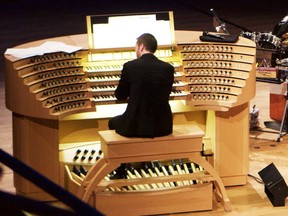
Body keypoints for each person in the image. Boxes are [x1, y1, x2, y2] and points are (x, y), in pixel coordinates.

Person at [108, 33, 174, 138]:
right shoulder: (168, 68)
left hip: (136, 125)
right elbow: (165, 93)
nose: (135, 51)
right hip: (163, 126)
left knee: (112, 122)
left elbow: (120, 95)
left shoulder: (130, 66)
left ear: (141, 46)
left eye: (136, 47)